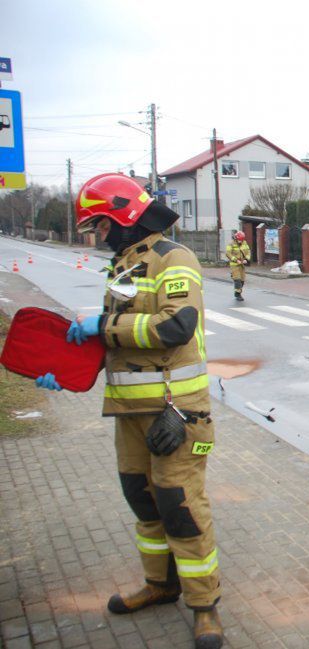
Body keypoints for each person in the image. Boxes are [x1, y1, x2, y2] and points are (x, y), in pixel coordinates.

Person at [36, 173, 223, 649]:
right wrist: (71, 369)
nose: (97, 236)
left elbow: (176, 326)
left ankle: (205, 608)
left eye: (99, 225)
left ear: (122, 214)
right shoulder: (123, 265)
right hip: (129, 413)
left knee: (179, 506)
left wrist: (102, 324)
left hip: (176, 413)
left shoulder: (173, 258)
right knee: (143, 502)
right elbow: (120, 342)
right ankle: (160, 585)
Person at [225, 231, 250, 301]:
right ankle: (238, 294)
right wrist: (235, 260)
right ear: (236, 238)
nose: (240, 241)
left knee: (242, 280)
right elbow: (228, 254)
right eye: (239, 240)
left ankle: (238, 290)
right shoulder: (231, 244)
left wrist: (247, 259)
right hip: (234, 265)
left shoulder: (244, 243)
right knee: (237, 279)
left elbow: (248, 252)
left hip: (242, 264)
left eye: (242, 240)